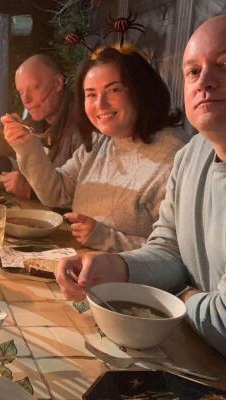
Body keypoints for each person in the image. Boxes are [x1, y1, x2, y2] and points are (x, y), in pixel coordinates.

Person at [55, 14, 226, 356]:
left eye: (224, 64)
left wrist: (179, 296)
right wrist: (115, 266)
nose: (205, 80)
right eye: (193, 70)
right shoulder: (193, 155)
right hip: (190, 343)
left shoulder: (170, 150)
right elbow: (169, 250)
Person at [3, 46, 187, 252]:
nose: (101, 103)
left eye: (114, 89)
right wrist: (27, 145)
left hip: (121, 282)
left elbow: (179, 253)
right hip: (76, 267)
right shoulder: (101, 142)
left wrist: (105, 238)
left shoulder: (174, 157)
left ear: (141, 90)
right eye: (91, 94)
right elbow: (56, 192)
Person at [0, 54, 85, 199]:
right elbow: (38, 165)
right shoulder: (34, 122)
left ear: (58, 83)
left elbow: (84, 192)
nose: (26, 99)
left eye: (35, 87)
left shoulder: (84, 125)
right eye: (21, 92)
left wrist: (32, 192)